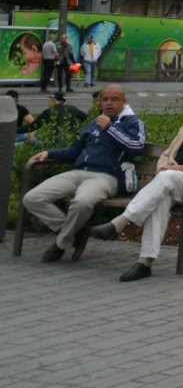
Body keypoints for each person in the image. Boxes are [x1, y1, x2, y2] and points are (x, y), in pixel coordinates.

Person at [89, 88, 183, 281]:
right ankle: (145, 262)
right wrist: (163, 167)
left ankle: (119, 223)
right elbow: (167, 154)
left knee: (168, 178)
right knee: (161, 199)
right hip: (174, 182)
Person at [23, 85, 146, 263]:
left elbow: (136, 146)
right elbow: (74, 151)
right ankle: (78, 233)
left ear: (124, 102)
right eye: (105, 99)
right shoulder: (94, 123)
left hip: (106, 176)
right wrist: (49, 153)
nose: (109, 103)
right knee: (32, 198)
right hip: (79, 172)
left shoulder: (132, 122)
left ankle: (60, 244)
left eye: (114, 99)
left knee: (82, 202)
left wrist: (110, 128)